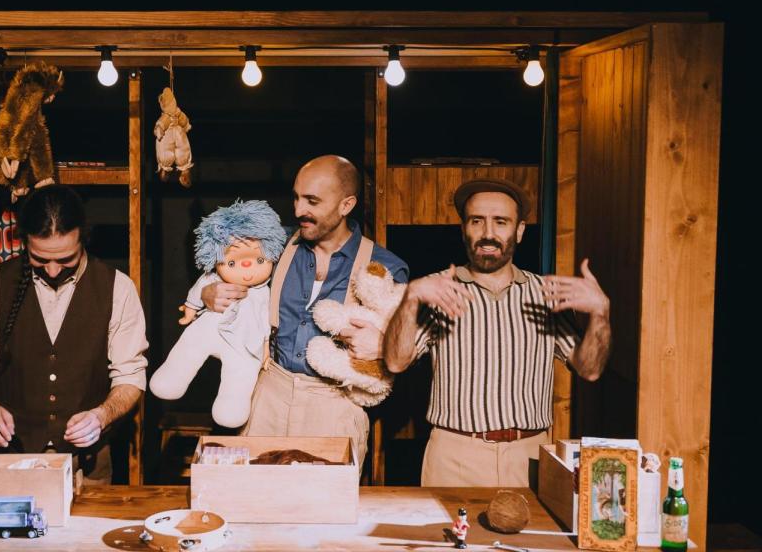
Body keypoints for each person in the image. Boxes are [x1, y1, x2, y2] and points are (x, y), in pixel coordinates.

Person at [384, 178, 610, 487]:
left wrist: (600, 313)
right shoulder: (436, 289)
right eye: (477, 221)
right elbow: (396, 362)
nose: (488, 234)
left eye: (500, 222)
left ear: (519, 231)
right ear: (464, 228)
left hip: (528, 456)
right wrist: (410, 298)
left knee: (532, 537)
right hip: (454, 457)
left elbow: (591, 370)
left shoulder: (546, 293)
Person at [201, 155, 408, 463]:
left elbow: (410, 348)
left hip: (334, 403)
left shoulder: (386, 267)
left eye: (312, 201)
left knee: (325, 508)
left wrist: (383, 344)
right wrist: (208, 291)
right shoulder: (275, 246)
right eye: (296, 198)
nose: (299, 210)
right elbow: (222, 267)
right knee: (251, 504)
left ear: (346, 205)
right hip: (268, 393)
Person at [0, 185, 148, 484]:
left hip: (88, 468)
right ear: (24, 243)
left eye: (65, 259)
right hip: (7, 462)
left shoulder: (117, 288)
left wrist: (102, 415)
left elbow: (130, 377)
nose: (53, 271)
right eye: (40, 260)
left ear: (83, 238)